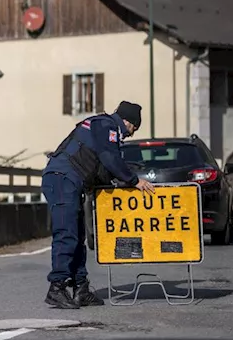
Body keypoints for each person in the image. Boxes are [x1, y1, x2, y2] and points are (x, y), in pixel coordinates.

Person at [41, 100, 155, 310]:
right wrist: (134, 181)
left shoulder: (100, 125)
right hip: (62, 178)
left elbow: (99, 164)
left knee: (78, 236)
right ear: (128, 121)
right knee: (67, 233)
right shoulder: (107, 126)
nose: (131, 133)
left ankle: (80, 288)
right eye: (133, 128)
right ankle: (57, 287)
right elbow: (109, 158)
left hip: (69, 180)